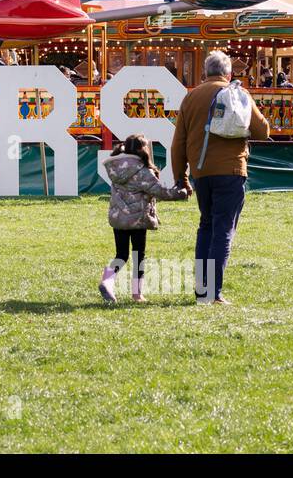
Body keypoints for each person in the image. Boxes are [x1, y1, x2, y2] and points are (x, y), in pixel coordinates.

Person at [169, 50, 270, 305]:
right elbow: (263, 131)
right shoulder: (238, 93)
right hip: (231, 169)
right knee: (223, 230)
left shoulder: (190, 97)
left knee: (206, 227)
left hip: (201, 171)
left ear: (205, 72)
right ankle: (212, 293)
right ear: (229, 73)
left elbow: (178, 142)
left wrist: (180, 177)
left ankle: (202, 289)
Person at [99, 134, 190, 304]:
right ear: (143, 149)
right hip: (137, 218)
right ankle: (137, 294)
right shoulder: (142, 171)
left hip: (118, 217)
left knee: (121, 254)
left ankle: (107, 281)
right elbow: (162, 192)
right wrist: (181, 192)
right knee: (138, 255)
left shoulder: (115, 166)